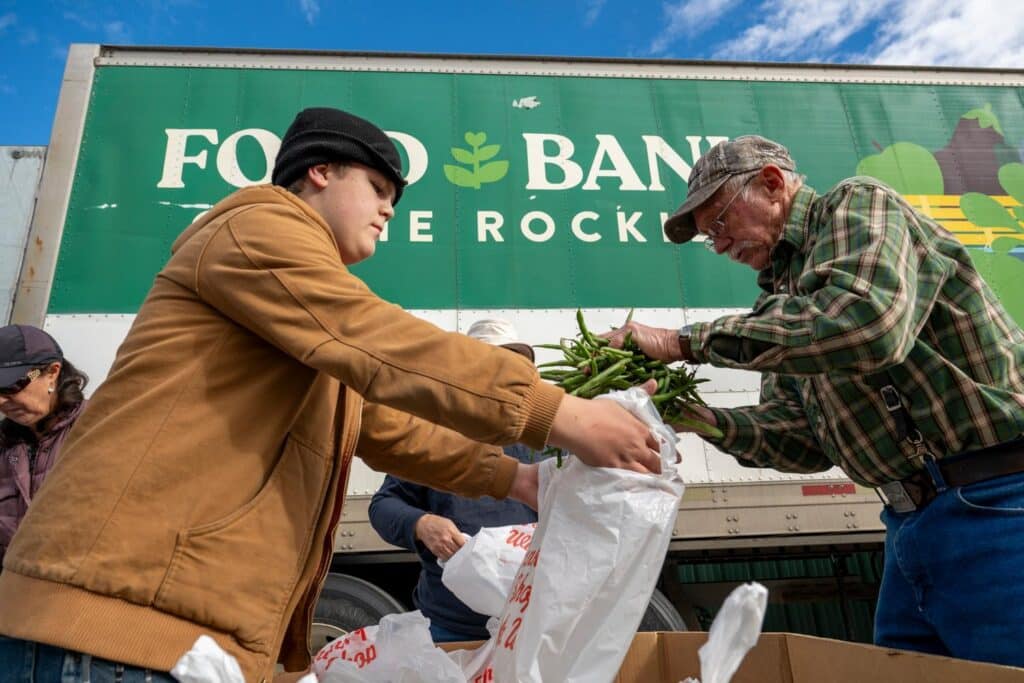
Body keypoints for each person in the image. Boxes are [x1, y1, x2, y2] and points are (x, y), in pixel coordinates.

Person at [0, 107, 661, 682]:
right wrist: (560, 411)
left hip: (164, 636)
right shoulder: (256, 230)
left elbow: (388, 425)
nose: (388, 210)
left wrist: (518, 478)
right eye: (376, 186)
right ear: (318, 171)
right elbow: (376, 339)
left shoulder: (296, 321)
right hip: (114, 632)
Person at [604, 135, 1024, 667]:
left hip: (995, 498)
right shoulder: (781, 300)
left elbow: (867, 323)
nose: (717, 244)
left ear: (772, 183)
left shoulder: (859, 205)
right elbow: (801, 441)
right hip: (909, 522)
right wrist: (694, 419)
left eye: (719, 223)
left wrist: (679, 342)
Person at [369, 318, 544, 643]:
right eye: (490, 367)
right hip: (448, 630)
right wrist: (421, 523)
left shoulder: (542, 441)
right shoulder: (433, 437)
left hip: (529, 625)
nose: (501, 381)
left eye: (511, 368)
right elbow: (383, 507)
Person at [0, 325, 88, 569]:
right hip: (14, 592)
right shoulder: (4, 444)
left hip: (75, 594)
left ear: (52, 372)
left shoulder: (100, 429)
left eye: (11, 386)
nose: (1, 401)